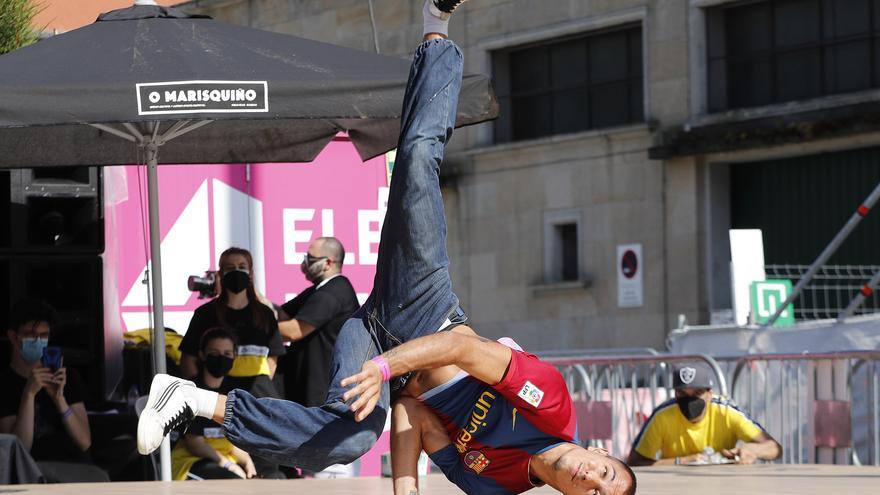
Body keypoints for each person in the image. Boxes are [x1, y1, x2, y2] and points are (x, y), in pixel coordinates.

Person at [137, 4, 634, 494]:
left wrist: (405, 488)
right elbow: (462, 347)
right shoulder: (549, 404)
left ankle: (191, 400)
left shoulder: (494, 485)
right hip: (424, 310)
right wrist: (380, 370)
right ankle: (436, 26)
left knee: (346, 441)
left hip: (377, 350)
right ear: (601, 453)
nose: (589, 480)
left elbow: (411, 414)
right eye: (605, 475)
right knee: (418, 162)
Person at [0, 299, 109, 482]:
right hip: (32, 471)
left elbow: (84, 441)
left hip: (76, 468)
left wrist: (59, 399)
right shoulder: (4, 384)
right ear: (13, 337)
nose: (38, 341)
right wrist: (28, 396)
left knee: (98, 477)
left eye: (44, 336)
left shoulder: (68, 377)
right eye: (31, 335)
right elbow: (18, 449)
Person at [178, 247, 285, 399]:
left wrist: (262, 384)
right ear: (220, 274)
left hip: (259, 395)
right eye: (230, 268)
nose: (236, 271)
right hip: (218, 395)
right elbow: (188, 358)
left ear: (251, 274)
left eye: (242, 267)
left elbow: (273, 356)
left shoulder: (265, 313)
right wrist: (202, 391)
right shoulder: (204, 313)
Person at [627, 363, 781, 466]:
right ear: (675, 393)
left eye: (697, 393)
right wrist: (682, 461)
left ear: (709, 394)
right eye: (683, 393)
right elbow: (635, 462)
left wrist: (753, 451)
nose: (690, 400)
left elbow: (774, 448)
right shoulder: (663, 415)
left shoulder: (727, 412)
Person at [278, 236, 359, 407]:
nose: (305, 263)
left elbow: (294, 331)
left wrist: (254, 330)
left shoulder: (334, 292)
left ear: (328, 263)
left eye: (310, 258)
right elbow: (280, 313)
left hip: (320, 393)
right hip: (303, 388)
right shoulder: (318, 290)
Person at [171, 327, 259, 480]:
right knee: (231, 480)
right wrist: (228, 465)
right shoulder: (191, 391)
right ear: (202, 355)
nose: (221, 358)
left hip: (227, 461)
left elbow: (234, 443)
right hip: (189, 461)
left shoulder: (235, 392)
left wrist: (247, 462)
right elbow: (195, 444)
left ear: (234, 356)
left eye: (227, 354)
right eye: (214, 353)